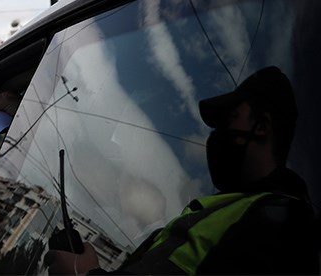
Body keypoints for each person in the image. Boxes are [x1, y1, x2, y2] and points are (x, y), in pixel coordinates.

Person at [44, 66, 318, 275]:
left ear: (261, 126)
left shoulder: (280, 224)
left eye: (230, 118)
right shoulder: (235, 209)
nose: (216, 135)